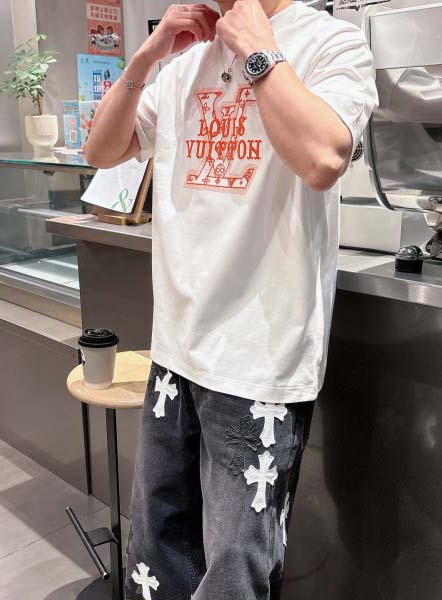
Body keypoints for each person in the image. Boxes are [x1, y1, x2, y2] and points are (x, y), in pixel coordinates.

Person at [86, 1, 378, 598]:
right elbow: (102, 151)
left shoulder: (332, 43)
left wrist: (257, 50)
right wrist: (146, 56)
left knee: (234, 573)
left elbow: (323, 157)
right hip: (177, 350)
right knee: (155, 554)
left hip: (258, 365)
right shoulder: (183, 63)